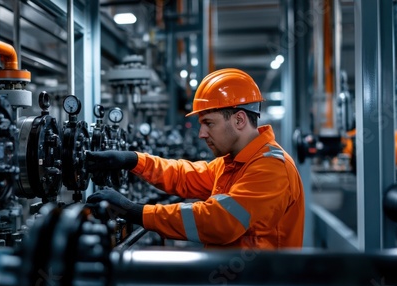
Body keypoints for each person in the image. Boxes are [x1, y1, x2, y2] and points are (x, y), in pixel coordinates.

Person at [85, 68, 305, 249]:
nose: (201, 134)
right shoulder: (234, 163)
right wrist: (133, 160)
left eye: (209, 123)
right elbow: (185, 175)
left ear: (239, 120)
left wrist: (136, 211)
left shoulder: (271, 168)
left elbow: (219, 221)